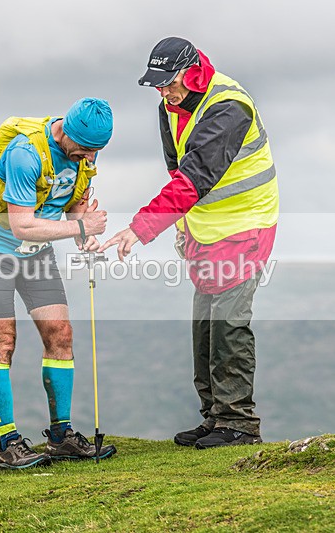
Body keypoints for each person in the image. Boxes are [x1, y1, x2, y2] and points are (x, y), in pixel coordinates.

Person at [100, 37, 279, 449]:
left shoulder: (227, 108)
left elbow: (194, 177)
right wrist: (181, 227)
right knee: (204, 328)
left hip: (246, 227)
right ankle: (215, 417)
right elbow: (176, 168)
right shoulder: (170, 104)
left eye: (167, 83)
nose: (162, 92)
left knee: (229, 327)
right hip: (204, 228)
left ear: (189, 72)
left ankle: (239, 424)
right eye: (157, 85)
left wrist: (140, 228)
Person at [0, 98, 118, 469]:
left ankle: (61, 436)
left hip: (36, 254)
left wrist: (84, 233)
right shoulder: (25, 154)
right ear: (66, 130)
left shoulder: (86, 152)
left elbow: (74, 204)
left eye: (95, 153)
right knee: (3, 342)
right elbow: (22, 225)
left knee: (60, 334)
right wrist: (81, 227)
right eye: (83, 150)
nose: (88, 158)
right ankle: (9, 443)